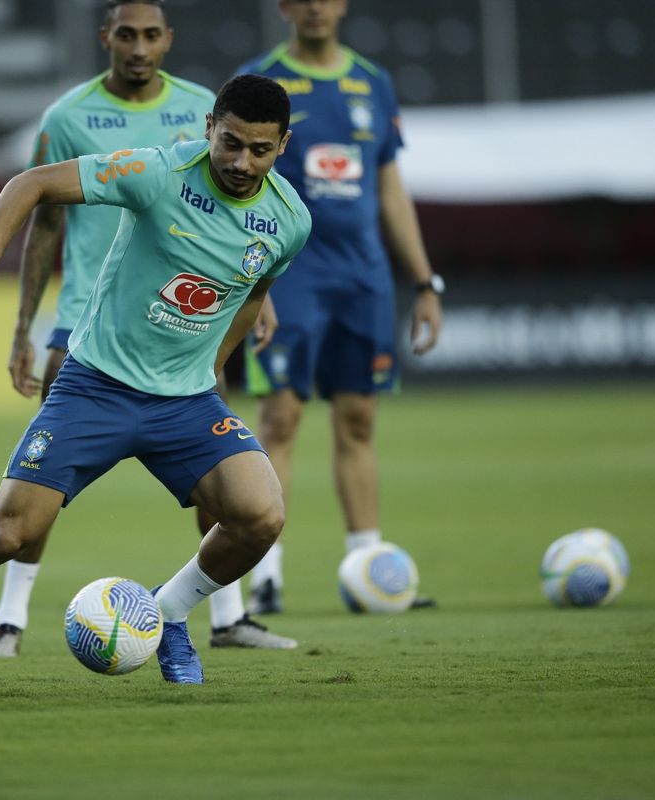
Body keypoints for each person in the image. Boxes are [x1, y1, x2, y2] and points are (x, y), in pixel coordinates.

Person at [0, 73, 309, 690]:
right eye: (230, 143)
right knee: (7, 533)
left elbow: (252, 296)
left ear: (282, 146)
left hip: (186, 402)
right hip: (97, 388)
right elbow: (31, 183)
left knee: (261, 514)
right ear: (208, 130)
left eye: (259, 149)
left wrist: (212, 366)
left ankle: (168, 613)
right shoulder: (158, 173)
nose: (241, 161)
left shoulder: (289, 220)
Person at [0, 0, 295, 658]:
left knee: (217, 480)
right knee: (40, 487)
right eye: (127, 33)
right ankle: (9, 616)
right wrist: (23, 328)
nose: (139, 46)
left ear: (167, 40)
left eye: (151, 34)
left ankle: (226, 616)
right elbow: (45, 221)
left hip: (181, 327)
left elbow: (242, 230)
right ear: (106, 39)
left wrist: (251, 299)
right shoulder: (67, 116)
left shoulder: (202, 108)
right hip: (85, 322)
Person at [236, 0, 443, 614]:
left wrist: (425, 282)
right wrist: (254, 278)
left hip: (364, 279)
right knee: (280, 419)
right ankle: (264, 575)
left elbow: (389, 187)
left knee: (358, 421)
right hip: (291, 274)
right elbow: (241, 182)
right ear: (284, 7)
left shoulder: (372, 82)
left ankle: (369, 570)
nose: (315, 7)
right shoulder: (262, 80)